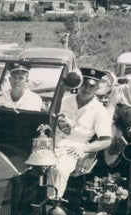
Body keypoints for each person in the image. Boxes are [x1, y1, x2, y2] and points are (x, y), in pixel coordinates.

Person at [48, 67, 114, 199]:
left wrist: (84, 148)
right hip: (51, 141)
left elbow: (106, 140)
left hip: (74, 147)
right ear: (80, 83)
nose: (86, 89)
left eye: (91, 86)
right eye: (84, 84)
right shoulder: (64, 100)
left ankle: (52, 203)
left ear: (96, 88)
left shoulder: (99, 111)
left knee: (59, 170)